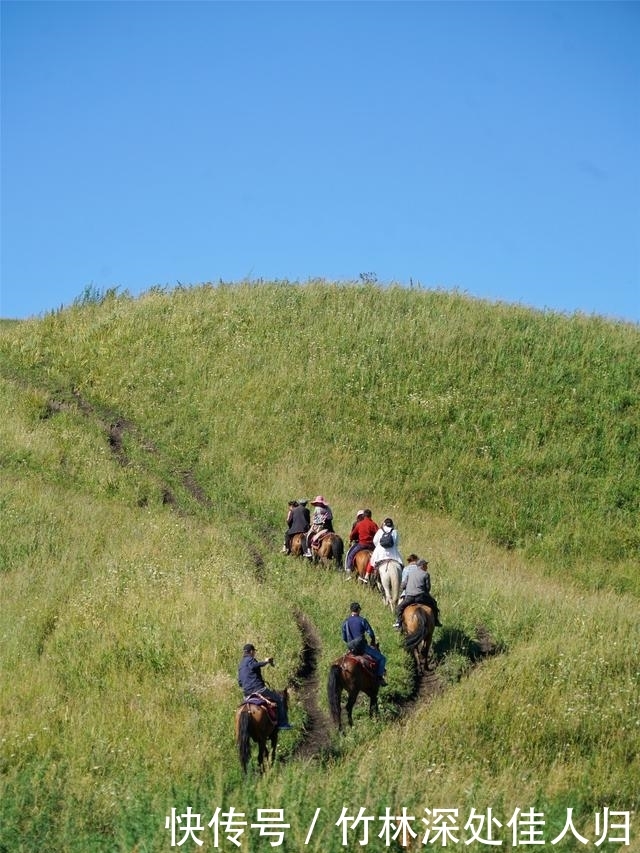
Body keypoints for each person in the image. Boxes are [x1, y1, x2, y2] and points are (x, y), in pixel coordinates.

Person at [237, 643, 293, 729]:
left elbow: (240, 682)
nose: (254, 653)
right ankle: (283, 723)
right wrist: (266, 662)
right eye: (254, 651)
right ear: (251, 651)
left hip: (246, 693)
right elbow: (254, 666)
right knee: (279, 699)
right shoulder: (251, 660)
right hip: (258, 689)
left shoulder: (240, 665)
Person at [341, 602, 387, 685]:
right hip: (361, 646)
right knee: (382, 658)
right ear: (358, 610)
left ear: (351, 610)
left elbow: (344, 637)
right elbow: (371, 633)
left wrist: (350, 644)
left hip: (350, 647)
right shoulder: (362, 620)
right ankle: (380, 678)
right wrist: (372, 641)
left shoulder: (345, 622)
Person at [393, 558, 442, 628]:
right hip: (421, 597)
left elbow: (403, 585)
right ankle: (436, 620)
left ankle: (399, 622)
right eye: (426, 565)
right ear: (422, 566)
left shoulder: (410, 573)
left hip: (409, 597)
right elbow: (428, 588)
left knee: (399, 608)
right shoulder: (426, 574)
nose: (427, 567)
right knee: (434, 604)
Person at [364, 517, 403, 583]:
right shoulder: (395, 531)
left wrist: (378, 547)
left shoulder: (380, 530)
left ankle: (367, 576)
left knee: (372, 560)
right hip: (392, 553)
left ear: (384, 524)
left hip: (380, 552)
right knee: (401, 563)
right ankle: (402, 578)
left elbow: (375, 541)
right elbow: (396, 543)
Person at [345, 509, 379, 573]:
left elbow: (352, 535)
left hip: (362, 544)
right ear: (370, 516)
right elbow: (378, 534)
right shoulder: (374, 524)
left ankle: (349, 569)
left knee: (350, 555)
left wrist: (352, 539)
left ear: (364, 516)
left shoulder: (360, 524)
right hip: (372, 546)